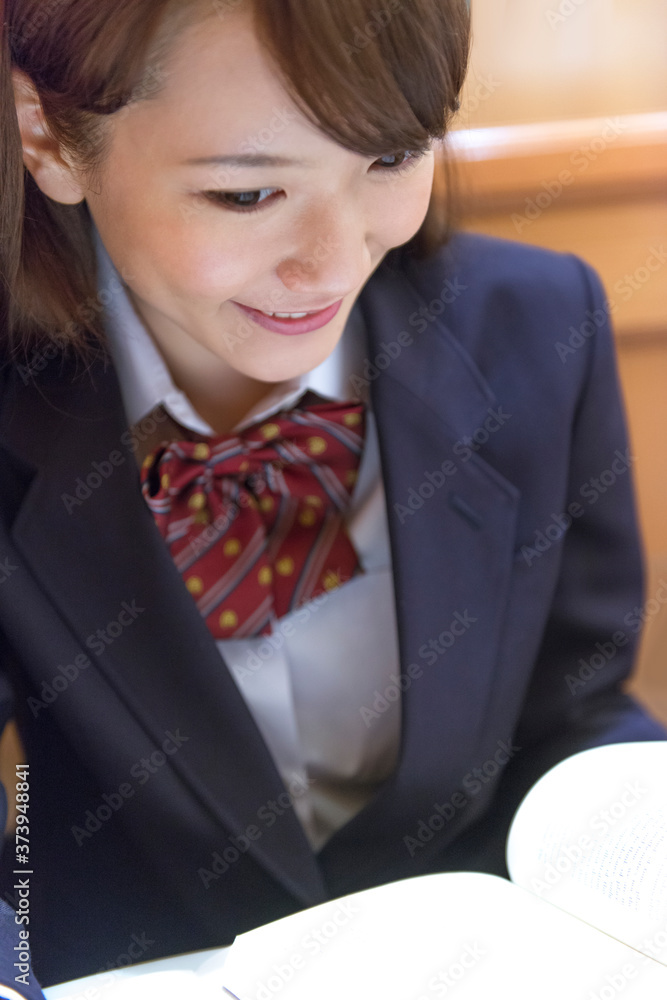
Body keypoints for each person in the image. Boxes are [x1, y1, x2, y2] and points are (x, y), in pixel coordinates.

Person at [0, 0, 664, 996]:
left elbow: (574, 712)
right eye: (247, 192)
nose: (333, 260)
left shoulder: (536, 324)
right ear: (47, 136)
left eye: (389, 159)